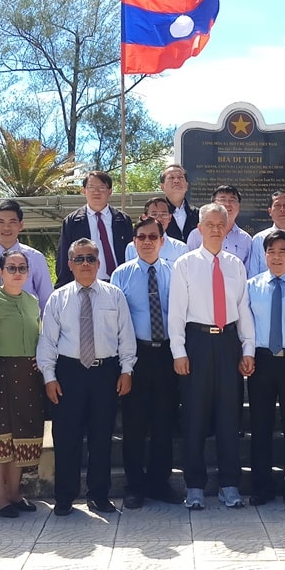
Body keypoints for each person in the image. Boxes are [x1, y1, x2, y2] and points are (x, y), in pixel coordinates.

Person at [38, 238, 136, 516]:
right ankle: (65, 497)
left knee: (101, 437)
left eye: (90, 258)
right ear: (69, 264)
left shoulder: (114, 295)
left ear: (98, 262)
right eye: (79, 259)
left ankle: (99, 495)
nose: (85, 264)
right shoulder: (58, 298)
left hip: (105, 372)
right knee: (66, 437)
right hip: (68, 373)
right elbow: (47, 341)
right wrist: (49, 376)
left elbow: (125, 336)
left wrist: (126, 370)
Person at [169, 203, 255, 510]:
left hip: (229, 342)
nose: (216, 229)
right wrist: (179, 351)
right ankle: (194, 485)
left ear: (228, 226)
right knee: (194, 416)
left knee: (229, 416)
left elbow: (243, 309)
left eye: (221, 224)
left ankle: (229, 484)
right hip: (198, 343)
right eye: (210, 224)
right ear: (199, 229)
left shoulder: (236, 265)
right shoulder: (185, 264)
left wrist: (248, 348)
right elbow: (177, 312)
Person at [111, 218, 183, 509]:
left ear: (162, 240)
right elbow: (115, 321)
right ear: (134, 241)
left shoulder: (176, 273)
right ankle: (135, 485)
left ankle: (159, 482)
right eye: (141, 237)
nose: (147, 241)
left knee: (164, 422)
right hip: (136, 356)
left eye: (153, 236)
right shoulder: (121, 275)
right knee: (135, 424)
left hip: (167, 355)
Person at [0, 250, 45, 517]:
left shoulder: (32, 301)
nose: (17, 273)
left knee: (23, 437)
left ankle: (15, 493)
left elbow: (38, 337)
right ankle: (0, 498)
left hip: (28, 377)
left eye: (22, 268)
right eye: (12, 268)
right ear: (0, 272)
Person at [245, 230, 285, 508]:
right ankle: (262, 486)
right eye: (271, 251)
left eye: (283, 251)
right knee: (260, 426)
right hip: (261, 361)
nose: (277, 257)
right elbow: (245, 327)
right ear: (264, 255)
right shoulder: (251, 286)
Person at [0, 199, 53, 313]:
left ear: (21, 225)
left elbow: (46, 299)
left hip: (27, 325)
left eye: (12, 222)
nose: (6, 227)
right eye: (1, 222)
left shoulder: (36, 257)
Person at [56, 171, 133, 286]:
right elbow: (63, 259)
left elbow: (131, 254)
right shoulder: (72, 222)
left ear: (110, 191)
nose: (96, 192)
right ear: (84, 191)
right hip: (87, 285)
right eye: (91, 187)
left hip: (120, 284)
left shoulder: (123, 220)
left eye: (102, 187)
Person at [185, 185, 252, 267]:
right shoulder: (196, 235)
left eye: (232, 200)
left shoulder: (246, 239)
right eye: (222, 199)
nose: (227, 204)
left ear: (239, 206)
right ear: (213, 204)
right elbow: (188, 264)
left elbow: (247, 272)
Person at [248, 191, 285, 277]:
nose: (282, 209)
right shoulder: (259, 239)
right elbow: (253, 274)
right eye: (277, 206)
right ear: (270, 211)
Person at [123, 197, 189, 264]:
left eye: (163, 214)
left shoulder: (180, 248)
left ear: (170, 218)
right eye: (154, 214)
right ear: (145, 217)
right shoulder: (132, 247)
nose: (159, 218)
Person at [160, 163, 198, 242]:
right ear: (162, 187)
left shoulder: (198, 214)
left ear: (187, 185)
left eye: (180, 177)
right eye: (171, 178)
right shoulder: (156, 215)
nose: (176, 181)